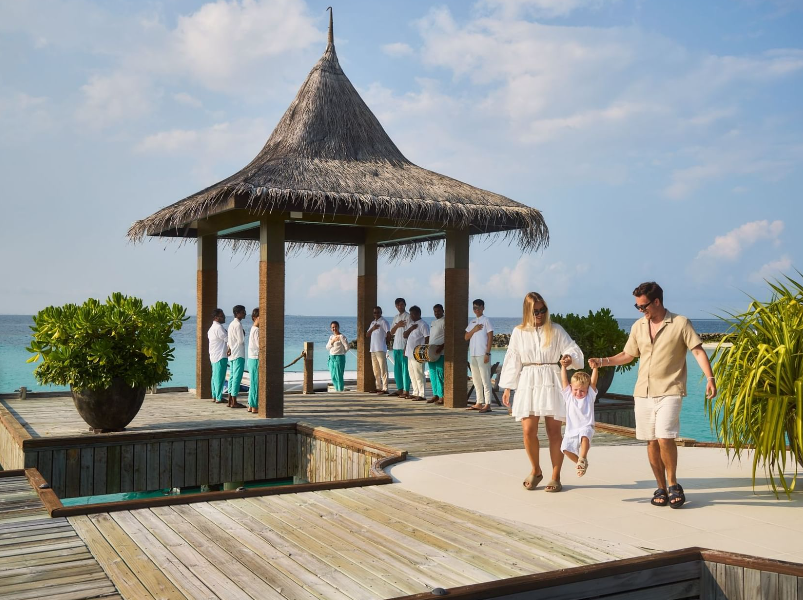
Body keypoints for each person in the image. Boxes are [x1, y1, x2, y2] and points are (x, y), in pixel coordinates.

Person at [589, 281, 716, 509]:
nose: (641, 310)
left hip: (670, 389)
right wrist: (603, 361)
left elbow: (697, 350)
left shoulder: (680, 323)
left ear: (657, 301)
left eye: (644, 306)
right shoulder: (638, 326)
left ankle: (673, 484)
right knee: (651, 440)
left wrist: (710, 378)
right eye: (637, 306)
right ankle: (660, 487)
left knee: (665, 437)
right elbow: (628, 355)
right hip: (643, 393)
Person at [500, 292, 583, 493]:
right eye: (535, 311)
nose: (539, 314)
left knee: (554, 431)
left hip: (551, 379)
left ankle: (556, 475)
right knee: (528, 430)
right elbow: (513, 359)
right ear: (527, 311)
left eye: (542, 310)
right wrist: (508, 387)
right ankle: (536, 470)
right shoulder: (519, 332)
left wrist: (569, 359)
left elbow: (572, 349)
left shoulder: (555, 330)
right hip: (528, 379)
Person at [560, 357, 598, 477]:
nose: (578, 393)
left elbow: (593, 382)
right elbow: (564, 380)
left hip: (586, 425)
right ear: (571, 387)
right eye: (576, 389)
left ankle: (582, 457)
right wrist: (563, 367)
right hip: (571, 429)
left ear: (587, 389)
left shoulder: (589, 397)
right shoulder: (569, 396)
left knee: (584, 436)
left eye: (582, 390)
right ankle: (580, 463)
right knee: (565, 449)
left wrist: (595, 368)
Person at [465, 299, 494, 413]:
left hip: (483, 354)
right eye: (474, 308)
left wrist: (487, 352)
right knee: (476, 379)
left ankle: (488, 403)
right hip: (473, 354)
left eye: (478, 307)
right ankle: (479, 402)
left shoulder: (486, 320)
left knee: (485, 379)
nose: (476, 310)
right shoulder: (472, 322)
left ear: (483, 308)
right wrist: (474, 329)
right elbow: (466, 337)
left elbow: (490, 337)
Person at [403, 306, 430, 401]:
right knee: (412, 374)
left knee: (419, 374)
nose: (411, 316)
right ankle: (415, 392)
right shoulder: (412, 324)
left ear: (418, 314)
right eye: (411, 314)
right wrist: (405, 349)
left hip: (418, 353)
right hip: (409, 353)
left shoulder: (423, 324)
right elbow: (405, 336)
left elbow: (427, 338)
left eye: (413, 314)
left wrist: (424, 351)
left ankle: (422, 394)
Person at [389, 298, 412, 398]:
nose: (400, 306)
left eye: (402, 304)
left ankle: (406, 390)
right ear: (396, 306)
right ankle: (399, 389)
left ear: (405, 305)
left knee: (405, 369)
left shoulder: (408, 316)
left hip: (404, 346)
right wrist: (398, 325)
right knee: (397, 369)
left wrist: (407, 347)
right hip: (396, 346)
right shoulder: (396, 317)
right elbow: (391, 332)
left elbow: (410, 332)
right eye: (398, 305)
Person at [226, 305, 247, 409]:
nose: (245, 313)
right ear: (238, 313)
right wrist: (243, 333)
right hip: (238, 354)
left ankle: (230, 399)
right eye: (243, 312)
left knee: (232, 377)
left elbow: (229, 340)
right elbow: (241, 341)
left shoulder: (231, 324)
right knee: (237, 378)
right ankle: (234, 401)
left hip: (232, 354)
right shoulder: (238, 325)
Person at [365, 306, 389, 394]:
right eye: (375, 312)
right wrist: (372, 328)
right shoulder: (372, 323)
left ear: (381, 312)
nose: (376, 314)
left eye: (378, 312)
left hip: (381, 349)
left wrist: (387, 343)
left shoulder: (384, 322)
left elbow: (388, 333)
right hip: (373, 349)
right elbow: (367, 334)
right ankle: (378, 387)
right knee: (376, 370)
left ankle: (385, 388)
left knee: (383, 369)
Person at [207, 308, 228, 404]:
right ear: (216, 318)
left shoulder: (211, 328)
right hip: (220, 355)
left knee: (215, 376)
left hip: (213, 354)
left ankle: (214, 395)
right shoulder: (218, 327)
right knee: (220, 376)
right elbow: (227, 338)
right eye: (222, 315)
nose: (224, 317)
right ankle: (219, 397)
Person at [427, 304, 446, 405]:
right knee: (432, 373)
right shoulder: (433, 322)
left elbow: (448, 336)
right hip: (431, 352)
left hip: (440, 352)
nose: (437, 313)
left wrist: (442, 347)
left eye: (438, 311)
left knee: (440, 373)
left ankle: (442, 396)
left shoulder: (445, 321)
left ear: (443, 311)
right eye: (435, 311)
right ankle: (435, 394)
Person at [326, 321, 348, 392]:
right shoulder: (331, 337)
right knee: (333, 376)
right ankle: (336, 389)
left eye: (335, 327)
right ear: (331, 328)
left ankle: (340, 390)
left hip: (339, 357)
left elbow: (347, 347)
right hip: (331, 357)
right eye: (332, 327)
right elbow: (327, 347)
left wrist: (342, 352)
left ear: (338, 327)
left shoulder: (342, 336)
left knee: (339, 375)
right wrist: (332, 341)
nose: (334, 328)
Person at [247, 308, 259, 413]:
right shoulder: (256, 330)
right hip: (255, 358)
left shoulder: (253, 329)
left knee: (253, 383)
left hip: (252, 358)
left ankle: (251, 405)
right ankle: (255, 405)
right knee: (256, 384)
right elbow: (260, 346)